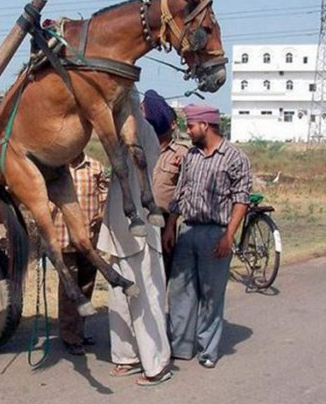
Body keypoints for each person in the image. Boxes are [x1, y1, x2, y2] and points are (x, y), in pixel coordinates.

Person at [163, 103, 252, 369]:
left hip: (216, 233)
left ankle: (208, 349)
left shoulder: (235, 157)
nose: (188, 131)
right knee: (180, 292)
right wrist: (171, 226)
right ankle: (181, 346)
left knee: (212, 294)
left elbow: (241, 200)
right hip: (188, 230)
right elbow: (181, 193)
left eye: (191, 126)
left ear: (206, 125)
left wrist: (229, 236)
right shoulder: (191, 156)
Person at [97, 91, 172, 387]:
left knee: (146, 298)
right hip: (119, 230)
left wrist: (121, 83)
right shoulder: (126, 136)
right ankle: (126, 356)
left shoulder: (144, 130)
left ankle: (156, 364)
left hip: (139, 232)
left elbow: (127, 97)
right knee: (118, 298)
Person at [51, 152, 109, 356]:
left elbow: (104, 193)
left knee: (86, 286)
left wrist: (103, 212)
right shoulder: (54, 166)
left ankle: (78, 331)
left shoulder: (95, 167)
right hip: (63, 237)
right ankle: (70, 336)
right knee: (70, 291)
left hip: (88, 240)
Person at [141, 89, 189, 276]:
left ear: (173, 125)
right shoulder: (142, 149)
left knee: (161, 275)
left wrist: (170, 227)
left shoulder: (182, 154)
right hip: (140, 219)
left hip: (163, 223)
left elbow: (182, 194)